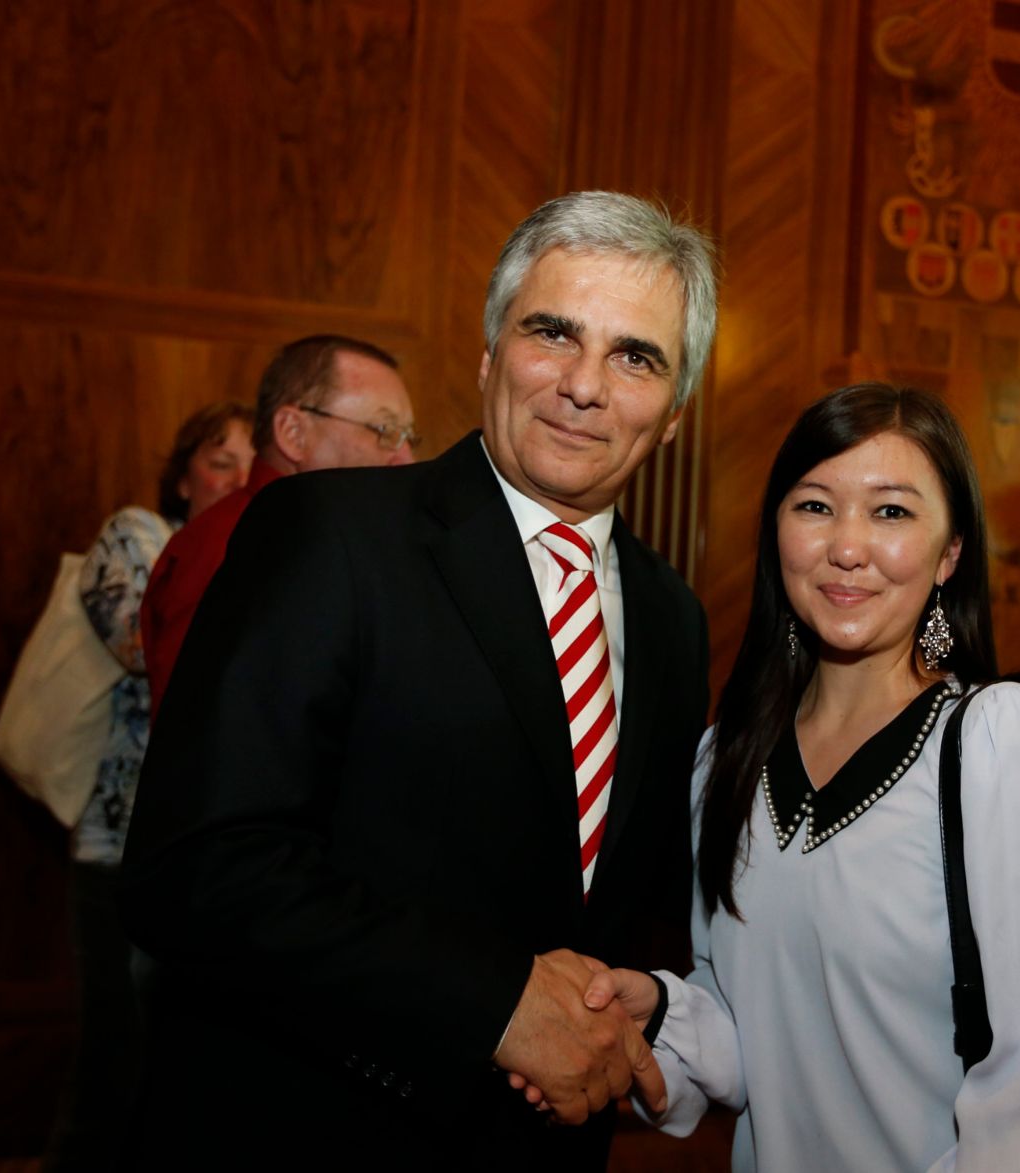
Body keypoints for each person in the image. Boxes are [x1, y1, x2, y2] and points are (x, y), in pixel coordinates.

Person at [118, 191, 717, 1168]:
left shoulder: (672, 618)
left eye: (635, 356)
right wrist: (493, 1003)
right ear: (488, 357)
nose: (582, 385)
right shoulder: (329, 536)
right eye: (552, 333)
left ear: (675, 413)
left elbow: (629, 907)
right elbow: (194, 869)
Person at [545, 384, 1020, 1171]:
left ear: (950, 553)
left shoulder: (1002, 744)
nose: (847, 546)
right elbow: (755, 1040)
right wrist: (658, 1014)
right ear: (776, 533)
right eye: (815, 505)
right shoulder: (726, 761)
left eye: (892, 511)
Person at [42, 400, 252, 1173]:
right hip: (119, 847)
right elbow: (145, 645)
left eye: (249, 465)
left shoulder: (256, 554)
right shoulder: (140, 534)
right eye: (220, 462)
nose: (237, 479)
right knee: (114, 1063)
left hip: (205, 855)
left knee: (182, 1074)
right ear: (183, 476)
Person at [140, 334, 418, 712]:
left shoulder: (320, 536)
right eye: (385, 431)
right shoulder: (235, 546)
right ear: (293, 433)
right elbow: (204, 725)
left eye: (409, 438)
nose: (406, 460)